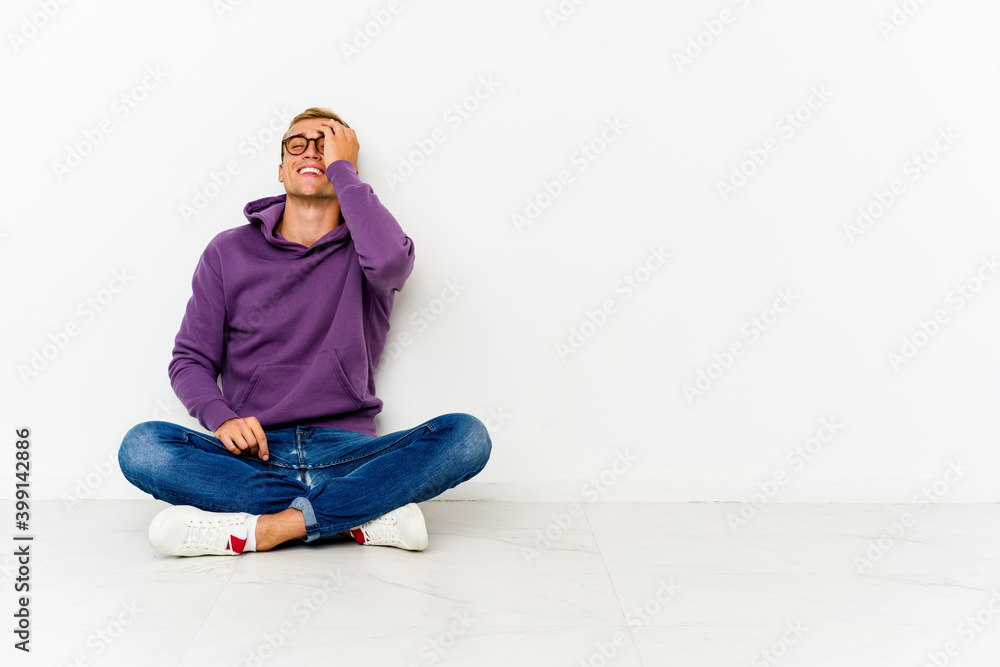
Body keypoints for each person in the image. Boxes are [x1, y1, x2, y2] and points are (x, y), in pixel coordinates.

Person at [118, 107, 491, 557]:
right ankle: (361, 515)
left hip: (348, 455)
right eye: (299, 144)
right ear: (281, 168)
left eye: (326, 144)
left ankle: (267, 530)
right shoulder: (227, 250)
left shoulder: (368, 251)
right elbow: (190, 360)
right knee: (143, 446)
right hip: (253, 457)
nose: (312, 152)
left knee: (467, 436)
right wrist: (221, 416)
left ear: (346, 165)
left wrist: (343, 170)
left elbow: (393, 262)